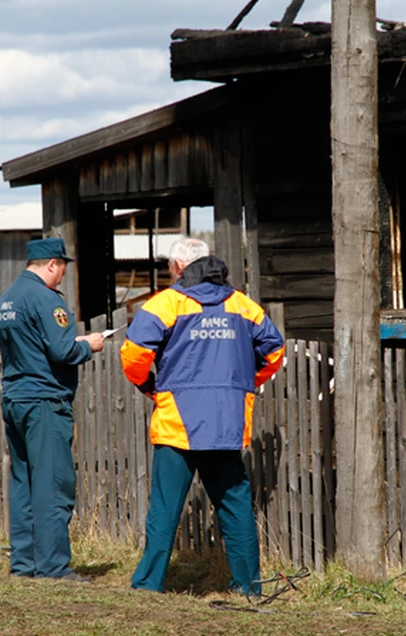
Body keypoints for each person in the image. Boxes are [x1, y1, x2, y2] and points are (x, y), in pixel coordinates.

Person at [120, 238, 285, 596]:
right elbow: (275, 353)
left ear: (179, 267)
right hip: (226, 424)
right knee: (236, 506)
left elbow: (133, 356)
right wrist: (241, 384)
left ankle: (148, 586)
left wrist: (151, 386)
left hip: (177, 424)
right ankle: (248, 588)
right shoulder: (245, 307)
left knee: (164, 508)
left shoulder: (165, 304)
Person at [0, 237, 105, 582]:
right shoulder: (45, 299)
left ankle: (24, 564)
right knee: (52, 484)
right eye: (62, 269)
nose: (62, 277)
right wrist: (89, 346)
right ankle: (54, 567)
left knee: (23, 482)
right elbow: (62, 352)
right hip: (44, 401)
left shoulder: (7, 299)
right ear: (52, 264)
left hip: (15, 398)